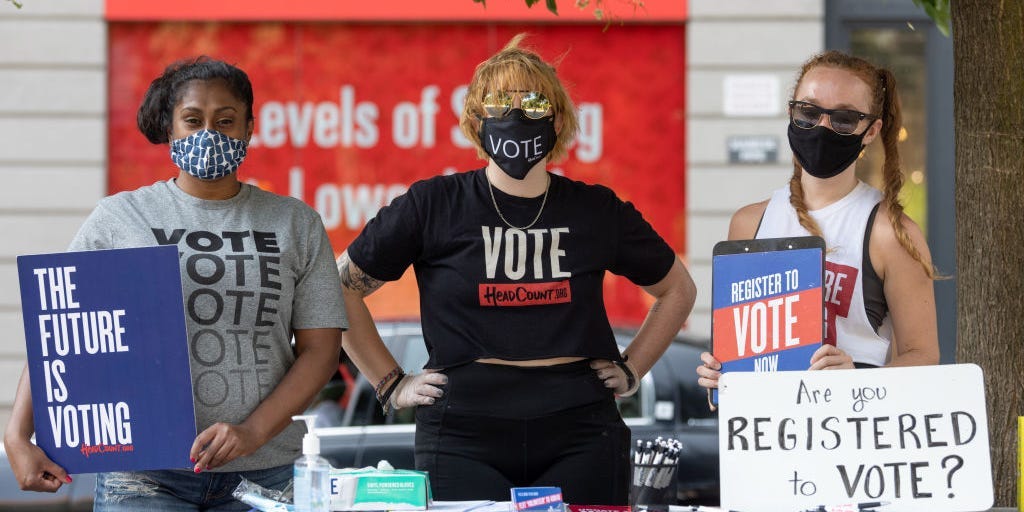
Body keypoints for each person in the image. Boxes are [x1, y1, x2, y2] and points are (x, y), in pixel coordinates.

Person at [336, 34, 696, 504]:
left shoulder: (596, 210)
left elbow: (678, 291)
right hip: (463, 433)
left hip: (581, 429)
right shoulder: (433, 205)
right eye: (498, 102)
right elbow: (336, 288)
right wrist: (390, 384)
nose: (516, 115)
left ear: (559, 119)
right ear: (474, 120)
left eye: (532, 102)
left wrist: (633, 370)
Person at [3, 56, 347, 510]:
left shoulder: (295, 223)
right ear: (170, 128)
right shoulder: (120, 218)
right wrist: (16, 435)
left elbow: (320, 351)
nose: (209, 134)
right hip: (144, 472)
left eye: (226, 120)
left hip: (268, 472)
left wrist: (252, 432)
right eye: (193, 119)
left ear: (249, 128)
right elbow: (62, 329)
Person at [696, 50, 940, 392]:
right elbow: (741, 350)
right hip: (768, 434)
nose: (822, 127)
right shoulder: (749, 223)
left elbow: (924, 357)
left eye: (843, 119)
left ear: (871, 131)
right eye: (808, 112)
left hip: (854, 431)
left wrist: (856, 379)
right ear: (791, 113)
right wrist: (720, 379)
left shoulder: (889, 233)